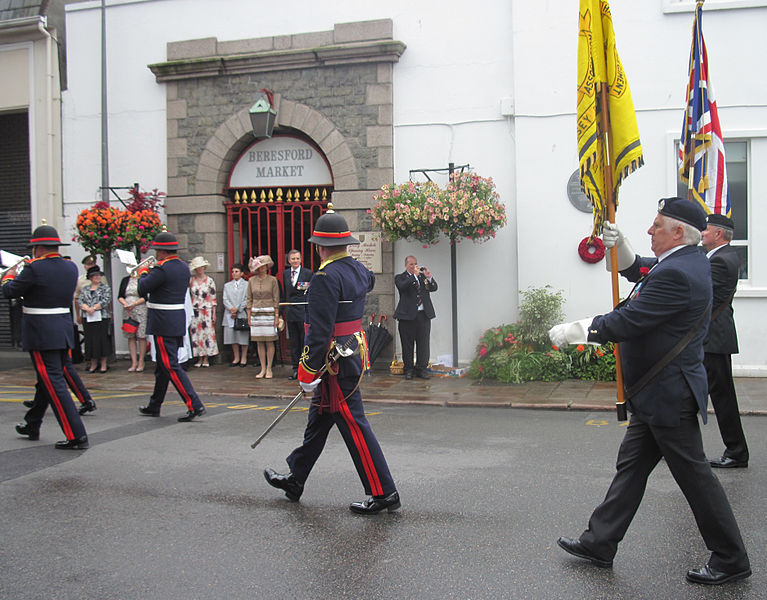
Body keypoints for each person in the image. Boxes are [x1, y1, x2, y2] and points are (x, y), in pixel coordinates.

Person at [549, 198, 750, 586]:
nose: (650, 230)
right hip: (658, 392)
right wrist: (620, 245)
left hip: (668, 394)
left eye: (657, 225)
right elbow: (641, 271)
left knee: (695, 478)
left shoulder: (679, 272)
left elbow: (632, 318)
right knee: (632, 468)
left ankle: (731, 557)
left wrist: (579, 330)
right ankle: (600, 541)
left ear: (678, 232)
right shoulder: (683, 262)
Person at [264, 207, 400, 515]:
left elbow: (320, 330)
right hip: (351, 350)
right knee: (319, 419)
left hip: (332, 360)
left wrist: (306, 370)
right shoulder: (359, 270)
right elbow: (361, 289)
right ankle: (295, 479)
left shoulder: (325, 277)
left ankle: (384, 491)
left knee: (353, 424)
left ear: (320, 245)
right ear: (347, 243)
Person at [2, 222, 89, 449]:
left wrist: (8, 276)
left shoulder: (34, 267)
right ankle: (32, 423)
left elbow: (10, 292)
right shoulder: (70, 268)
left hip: (41, 331)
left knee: (53, 382)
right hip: (62, 328)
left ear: (39, 248)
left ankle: (76, 434)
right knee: (46, 380)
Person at [137, 229, 206, 422]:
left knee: (170, 365)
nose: (156, 254)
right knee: (162, 367)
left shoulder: (161, 268)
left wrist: (143, 272)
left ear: (162, 252)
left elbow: (143, 288)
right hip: (175, 319)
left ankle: (194, 404)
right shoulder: (183, 267)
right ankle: (154, 404)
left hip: (162, 321)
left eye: (158, 250)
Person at [700, 214, 749, 469]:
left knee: (723, 398)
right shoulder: (716, 257)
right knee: (689, 395)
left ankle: (737, 452)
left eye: (705, 230)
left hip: (714, 339)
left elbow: (704, 298)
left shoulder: (722, 260)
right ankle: (675, 446)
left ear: (719, 234)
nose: (702, 233)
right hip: (712, 338)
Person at [394, 255, 437, 380]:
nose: (414, 267)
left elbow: (433, 288)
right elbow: (402, 287)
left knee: (423, 343)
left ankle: (421, 369)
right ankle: (408, 369)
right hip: (407, 317)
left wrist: (429, 277)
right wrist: (413, 276)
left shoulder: (422, 277)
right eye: (411, 264)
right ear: (406, 265)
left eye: (416, 264)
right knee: (407, 344)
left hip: (423, 315)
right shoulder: (400, 277)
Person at [247, 255, 280, 379]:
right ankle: (262, 368)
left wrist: (277, 316)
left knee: (269, 341)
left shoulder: (272, 280)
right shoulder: (251, 281)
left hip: (269, 311)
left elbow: (276, 299)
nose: (262, 268)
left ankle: (269, 368)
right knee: (259, 341)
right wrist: (249, 315)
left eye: (264, 266)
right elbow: (249, 298)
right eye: (260, 266)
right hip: (256, 312)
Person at [281, 249, 312, 379]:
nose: (295, 261)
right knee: (294, 342)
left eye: (297, 258)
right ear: (289, 261)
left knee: (304, 341)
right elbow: (286, 293)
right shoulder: (285, 273)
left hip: (303, 312)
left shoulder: (307, 273)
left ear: (300, 260)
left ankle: (306, 368)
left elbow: (310, 293)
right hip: (291, 313)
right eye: (292, 259)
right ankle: (295, 368)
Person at [79, 265, 112, 374]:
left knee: (102, 339)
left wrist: (94, 308)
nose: (98, 277)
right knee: (90, 340)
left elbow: (106, 300)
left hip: (101, 317)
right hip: (88, 317)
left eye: (99, 275)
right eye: (95, 276)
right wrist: (86, 308)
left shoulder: (105, 288)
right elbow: (80, 301)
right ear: (91, 278)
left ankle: (103, 364)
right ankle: (93, 364)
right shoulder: (85, 289)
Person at [188, 256, 219, 368]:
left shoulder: (210, 281)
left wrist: (214, 313)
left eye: (201, 267)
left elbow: (213, 298)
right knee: (196, 333)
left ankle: (206, 357)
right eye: (198, 268)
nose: (200, 269)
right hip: (195, 310)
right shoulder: (191, 281)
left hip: (207, 310)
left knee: (207, 333)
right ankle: (199, 357)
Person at [118, 266, 148, 372]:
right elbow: (120, 295)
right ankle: (134, 361)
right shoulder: (125, 280)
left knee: (141, 336)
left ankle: (141, 361)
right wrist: (125, 303)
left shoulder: (142, 280)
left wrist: (134, 303)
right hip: (128, 310)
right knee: (130, 335)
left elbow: (145, 296)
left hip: (140, 308)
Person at [222, 263, 250, 367]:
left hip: (242, 312)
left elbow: (247, 298)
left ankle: (244, 357)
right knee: (232, 336)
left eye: (236, 271)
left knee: (242, 336)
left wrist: (237, 309)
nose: (234, 273)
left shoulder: (247, 285)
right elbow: (225, 299)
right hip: (229, 314)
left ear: (242, 273)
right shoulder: (227, 285)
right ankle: (236, 357)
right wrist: (231, 309)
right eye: (233, 272)